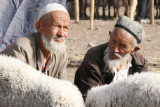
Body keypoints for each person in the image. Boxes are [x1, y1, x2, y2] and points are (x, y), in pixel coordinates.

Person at [74, 15, 148, 100]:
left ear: (134, 50)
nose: (115, 49)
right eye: (113, 41)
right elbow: (92, 99)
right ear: (110, 35)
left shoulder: (140, 64)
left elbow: (142, 98)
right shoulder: (94, 57)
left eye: (123, 46)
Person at [1, 3, 70, 79]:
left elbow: (63, 86)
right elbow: (16, 87)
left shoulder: (61, 54)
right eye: (56, 26)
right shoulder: (21, 49)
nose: (61, 33)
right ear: (38, 26)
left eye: (65, 28)